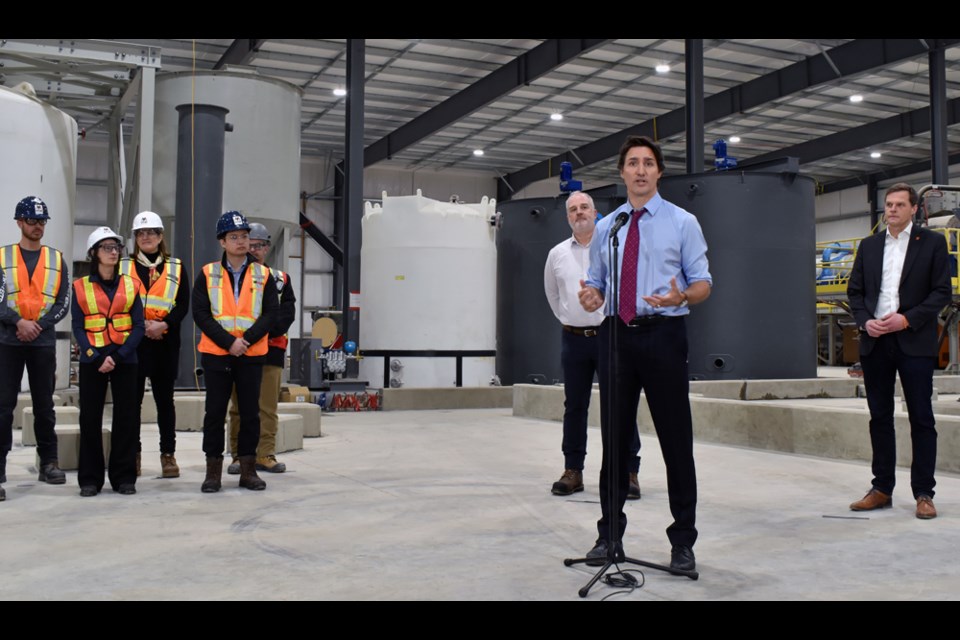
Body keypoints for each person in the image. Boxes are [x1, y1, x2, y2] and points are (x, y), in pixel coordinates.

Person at [578, 135, 712, 572]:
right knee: (614, 441)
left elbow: (703, 283)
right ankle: (608, 535)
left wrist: (682, 296)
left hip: (664, 335)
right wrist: (593, 298)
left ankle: (683, 543)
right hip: (616, 337)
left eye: (648, 163)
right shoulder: (607, 226)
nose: (640, 170)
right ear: (622, 172)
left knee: (676, 441)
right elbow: (596, 281)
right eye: (632, 163)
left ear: (658, 172)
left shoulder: (682, 221)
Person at [846, 182, 951, 519]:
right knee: (880, 417)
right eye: (888, 205)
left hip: (913, 340)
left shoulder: (933, 243)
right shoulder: (869, 245)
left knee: (921, 417)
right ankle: (881, 488)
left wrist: (906, 320)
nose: (891, 210)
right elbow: (856, 292)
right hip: (875, 341)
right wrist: (865, 322)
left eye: (898, 205)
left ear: (914, 209)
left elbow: (940, 293)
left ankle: (924, 493)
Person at [544, 191, 641, 499]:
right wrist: (568, 317)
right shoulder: (557, 253)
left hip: (611, 336)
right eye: (573, 210)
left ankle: (628, 471)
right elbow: (553, 294)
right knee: (574, 406)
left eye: (584, 207)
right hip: (573, 340)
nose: (579, 213)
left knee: (621, 405)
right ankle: (573, 470)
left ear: (595, 212)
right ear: (568, 217)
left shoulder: (612, 249)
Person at [193, 211, 278, 493]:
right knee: (215, 413)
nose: (241, 242)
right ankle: (213, 472)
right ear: (222, 242)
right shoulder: (207, 273)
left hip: (251, 356)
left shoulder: (264, 275)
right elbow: (201, 314)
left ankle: (248, 470)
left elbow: (270, 314)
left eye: (244, 236)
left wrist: (247, 340)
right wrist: (229, 342)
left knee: (250, 413)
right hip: (217, 354)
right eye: (234, 237)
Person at [0, 196, 70, 497]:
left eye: (41, 221)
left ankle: (49, 463)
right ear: (19, 222)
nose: (37, 226)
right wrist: (18, 322)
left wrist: (37, 325)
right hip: (8, 340)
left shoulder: (56, 259)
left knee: (45, 405)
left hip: (41, 341)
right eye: (31, 220)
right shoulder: (2, 257)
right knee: (3, 407)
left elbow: (63, 301)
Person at [72, 226, 145, 497]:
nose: (114, 253)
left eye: (116, 248)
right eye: (107, 248)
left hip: (125, 359)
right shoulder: (80, 287)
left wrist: (117, 356)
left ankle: (124, 478)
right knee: (89, 419)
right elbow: (78, 328)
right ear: (94, 253)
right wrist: (94, 356)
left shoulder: (132, 284)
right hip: (93, 360)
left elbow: (138, 326)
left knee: (126, 418)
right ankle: (90, 479)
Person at [119, 211, 189, 479]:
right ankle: (133, 455)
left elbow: (182, 304)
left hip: (165, 342)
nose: (145, 237)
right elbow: (118, 300)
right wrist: (142, 327)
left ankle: (168, 455)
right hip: (134, 342)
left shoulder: (176, 266)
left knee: (165, 403)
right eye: (140, 233)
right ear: (136, 238)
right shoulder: (123, 265)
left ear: (161, 236)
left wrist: (164, 325)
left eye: (150, 233)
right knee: (131, 403)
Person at [226, 222, 296, 475]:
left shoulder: (279, 280)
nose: (254, 250)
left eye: (259, 245)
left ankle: (265, 453)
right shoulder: (228, 277)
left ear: (267, 248)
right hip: (238, 351)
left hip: (270, 351)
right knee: (238, 408)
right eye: (250, 244)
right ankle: (237, 455)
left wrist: (257, 335)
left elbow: (286, 314)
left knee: (267, 407)